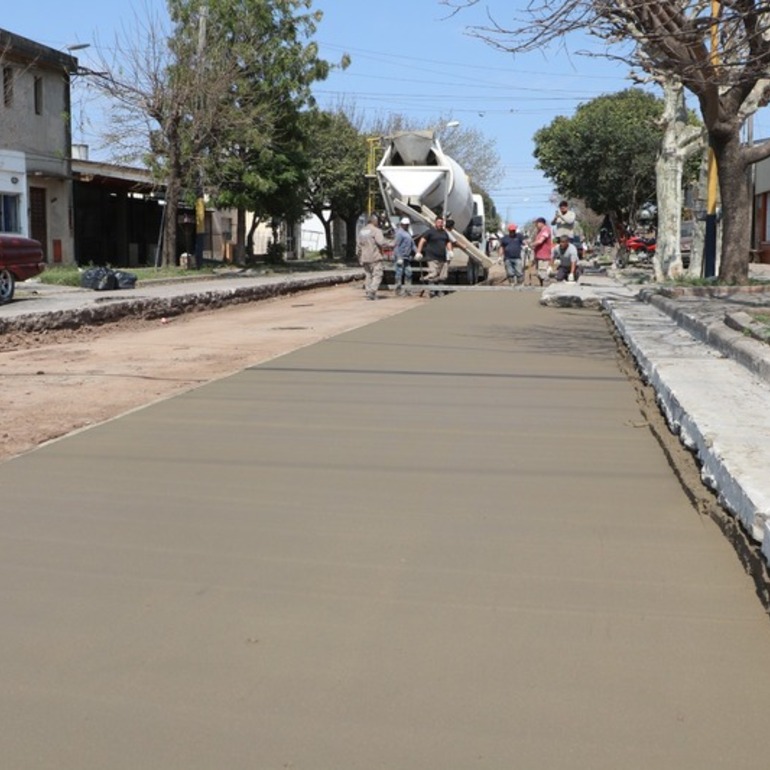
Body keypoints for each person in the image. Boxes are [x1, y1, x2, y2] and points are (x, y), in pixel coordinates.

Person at [415, 215, 453, 297]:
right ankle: (432, 292)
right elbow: (422, 241)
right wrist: (418, 252)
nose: (440, 224)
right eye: (439, 222)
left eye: (441, 223)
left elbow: (448, 242)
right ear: (435, 222)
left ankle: (440, 291)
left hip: (442, 258)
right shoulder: (430, 232)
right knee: (433, 274)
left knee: (442, 276)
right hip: (432, 257)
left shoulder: (444, 233)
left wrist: (450, 251)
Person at [356, 213, 389, 300]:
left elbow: (358, 246)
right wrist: (392, 243)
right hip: (374, 257)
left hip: (364, 257)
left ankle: (368, 291)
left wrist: (359, 257)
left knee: (368, 275)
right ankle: (372, 291)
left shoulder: (362, 231)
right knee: (378, 274)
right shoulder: (376, 231)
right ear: (375, 221)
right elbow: (381, 242)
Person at [392, 216, 415, 295]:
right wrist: (398, 256)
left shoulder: (408, 233)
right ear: (401, 224)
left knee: (409, 273)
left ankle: (408, 290)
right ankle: (398, 290)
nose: (406, 225)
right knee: (399, 273)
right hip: (400, 257)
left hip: (406, 257)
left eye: (407, 224)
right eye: (405, 224)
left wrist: (417, 252)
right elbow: (396, 246)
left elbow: (412, 244)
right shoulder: (399, 233)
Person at [531, 217, 553, 286]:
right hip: (538, 255)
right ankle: (542, 286)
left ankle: (546, 286)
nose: (536, 225)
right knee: (538, 273)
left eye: (537, 223)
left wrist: (532, 244)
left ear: (541, 223)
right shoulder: (539, 231)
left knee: (543, 273)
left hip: (544, 256)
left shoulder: (546, 230)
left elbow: (540, 241)